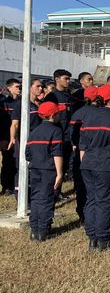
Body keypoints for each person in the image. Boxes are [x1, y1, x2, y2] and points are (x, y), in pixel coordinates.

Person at [80, 85, 110, 251]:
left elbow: (82, 145)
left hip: (88, 164)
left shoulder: (88, 117)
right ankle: (103, 238)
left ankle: (92, 237)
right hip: (105, 165)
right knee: (104, 201)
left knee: (91, 199)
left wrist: (85, 163)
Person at [25, 101, 65, 242]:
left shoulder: (34, 131)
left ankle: (34, 230)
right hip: (49, 170)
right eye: (58, 112)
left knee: (36, 199)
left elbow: (27, 154)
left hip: (35, 169)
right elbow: (57, 153)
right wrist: (59, 173)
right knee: (47, 200)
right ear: (53, 115)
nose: (60, 114)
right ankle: (43, 231)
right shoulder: (56, 131)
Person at [43, 69, 75, 203]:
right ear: (57, 79)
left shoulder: (69, 96)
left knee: (64, 165)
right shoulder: (52, 97)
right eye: (65, 78)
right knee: (55, 166)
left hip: (68, 136)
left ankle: (58, 191)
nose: (68, 81)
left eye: (69, 79)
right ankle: (52, 192)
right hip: (56, 135)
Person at [8, 79, 43, 198]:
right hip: (25, 141)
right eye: (37, 86)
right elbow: (14, 124)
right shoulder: (21, 104)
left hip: (39, 142)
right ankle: (20, 194)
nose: (40, 89)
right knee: (23, 167)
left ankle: (33, 193)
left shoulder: (39, 104)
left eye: (41, 86)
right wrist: (13, 138)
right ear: (30, 87)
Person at [68, 85, 98, 222]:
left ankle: (82, 212)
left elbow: (72, 134)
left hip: (80, 152)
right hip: (96, 153)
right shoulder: (99, 114)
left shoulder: (77, 113)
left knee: (81, 184)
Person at [1, 78, 21, 196]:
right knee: (7, 162)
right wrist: (3, 139)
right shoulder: (4, 103)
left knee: (17, 162)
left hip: (19, 137)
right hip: (6, 137)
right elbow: (2, 122)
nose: (19, 89)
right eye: (17, 87)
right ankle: (6, 186)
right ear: (9, 88)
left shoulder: (21, 102)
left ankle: (15, 185)